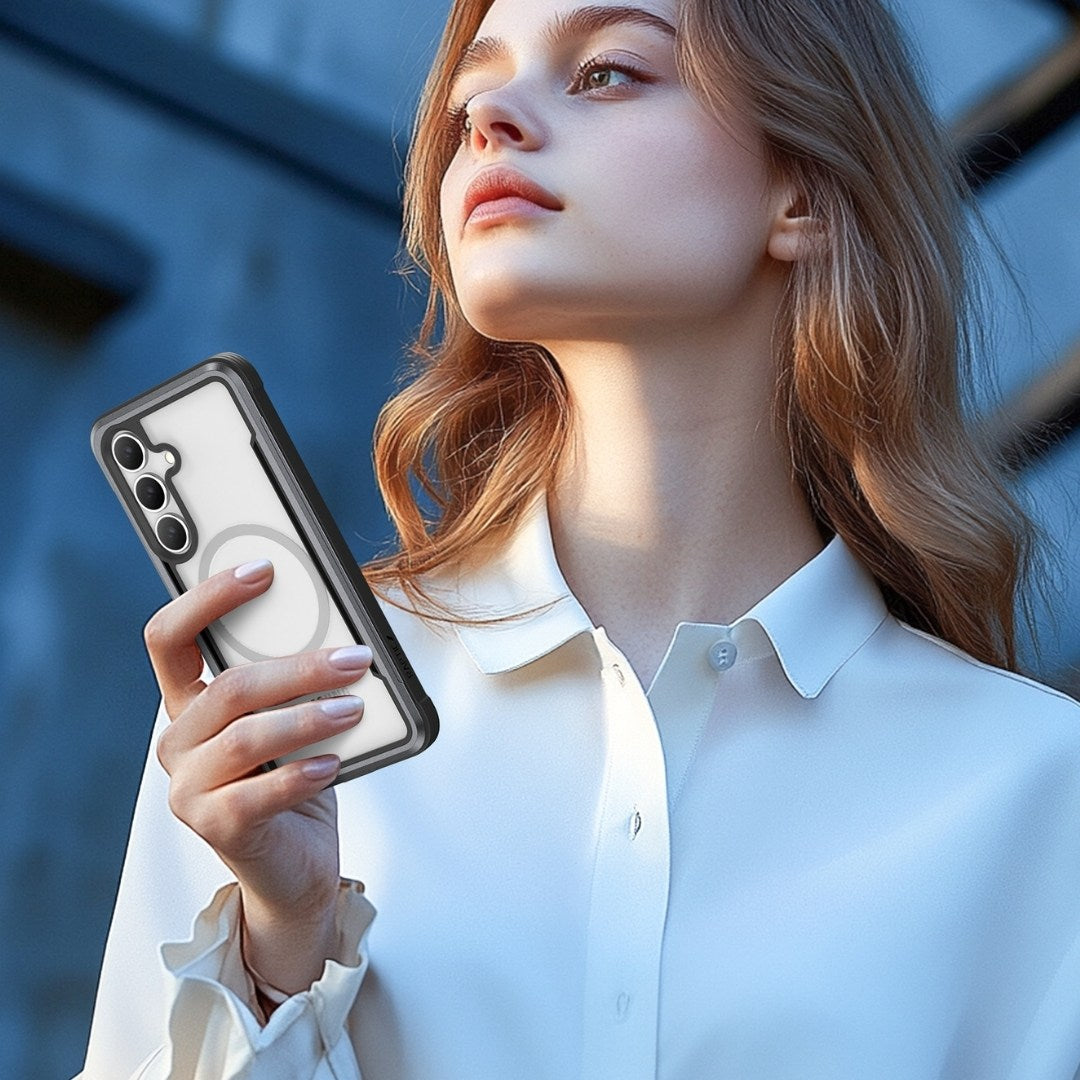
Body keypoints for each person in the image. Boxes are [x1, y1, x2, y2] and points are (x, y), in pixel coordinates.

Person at [79, 0, 1080, 1077]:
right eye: (468, 98)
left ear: (802, 189)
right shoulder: (288, 720)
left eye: (607, 72)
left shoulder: (1035, 787)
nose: (493, 117)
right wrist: (280, 944)